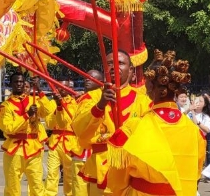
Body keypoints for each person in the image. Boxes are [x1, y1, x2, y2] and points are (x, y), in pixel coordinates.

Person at [107, 49, 202, 196]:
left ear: (150, 87)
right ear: (176, 90)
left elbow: (117, 180)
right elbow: (196, 173)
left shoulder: (135, 127)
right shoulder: (194, 130)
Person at [72, 50, 151, 195]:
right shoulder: (92, 98)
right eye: (109, 63)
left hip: (132, 170)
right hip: (100, 169)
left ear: (131, 70)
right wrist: (100, 106)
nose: (114, 67)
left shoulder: (143, 101)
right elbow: (79, 130)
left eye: (120, 63)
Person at [0, 72, 54, 196]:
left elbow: (48, 110)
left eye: (21, 82)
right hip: (13, 149)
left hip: (33, 148)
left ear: (25, 84)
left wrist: (39, 89)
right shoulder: (5, 106)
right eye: (16, 82)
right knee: (12, 186)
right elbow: (8, 127)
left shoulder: (33, 100)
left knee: (37, 185)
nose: (19, 84)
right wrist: (26, 115)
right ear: (10, 84)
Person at [70, 69, 104, 196]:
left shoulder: (102, 97)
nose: (86, 79)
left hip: (97, 152)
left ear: (100, 82)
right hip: (80, 151)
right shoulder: (83, 98)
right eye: (85, 77)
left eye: (91, 78)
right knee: (79, 189)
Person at [44, 79, 78, 196]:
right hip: (55, 141)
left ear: (69, 88)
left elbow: (70, 121)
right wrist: (57, 108)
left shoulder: (75, 103)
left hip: (70, 142)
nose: (61, 89)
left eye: (64, 87)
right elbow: (49, 124)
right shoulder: (51, 103)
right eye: (59, 87)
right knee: (52, 173)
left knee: (69, 175)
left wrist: (62, 107)